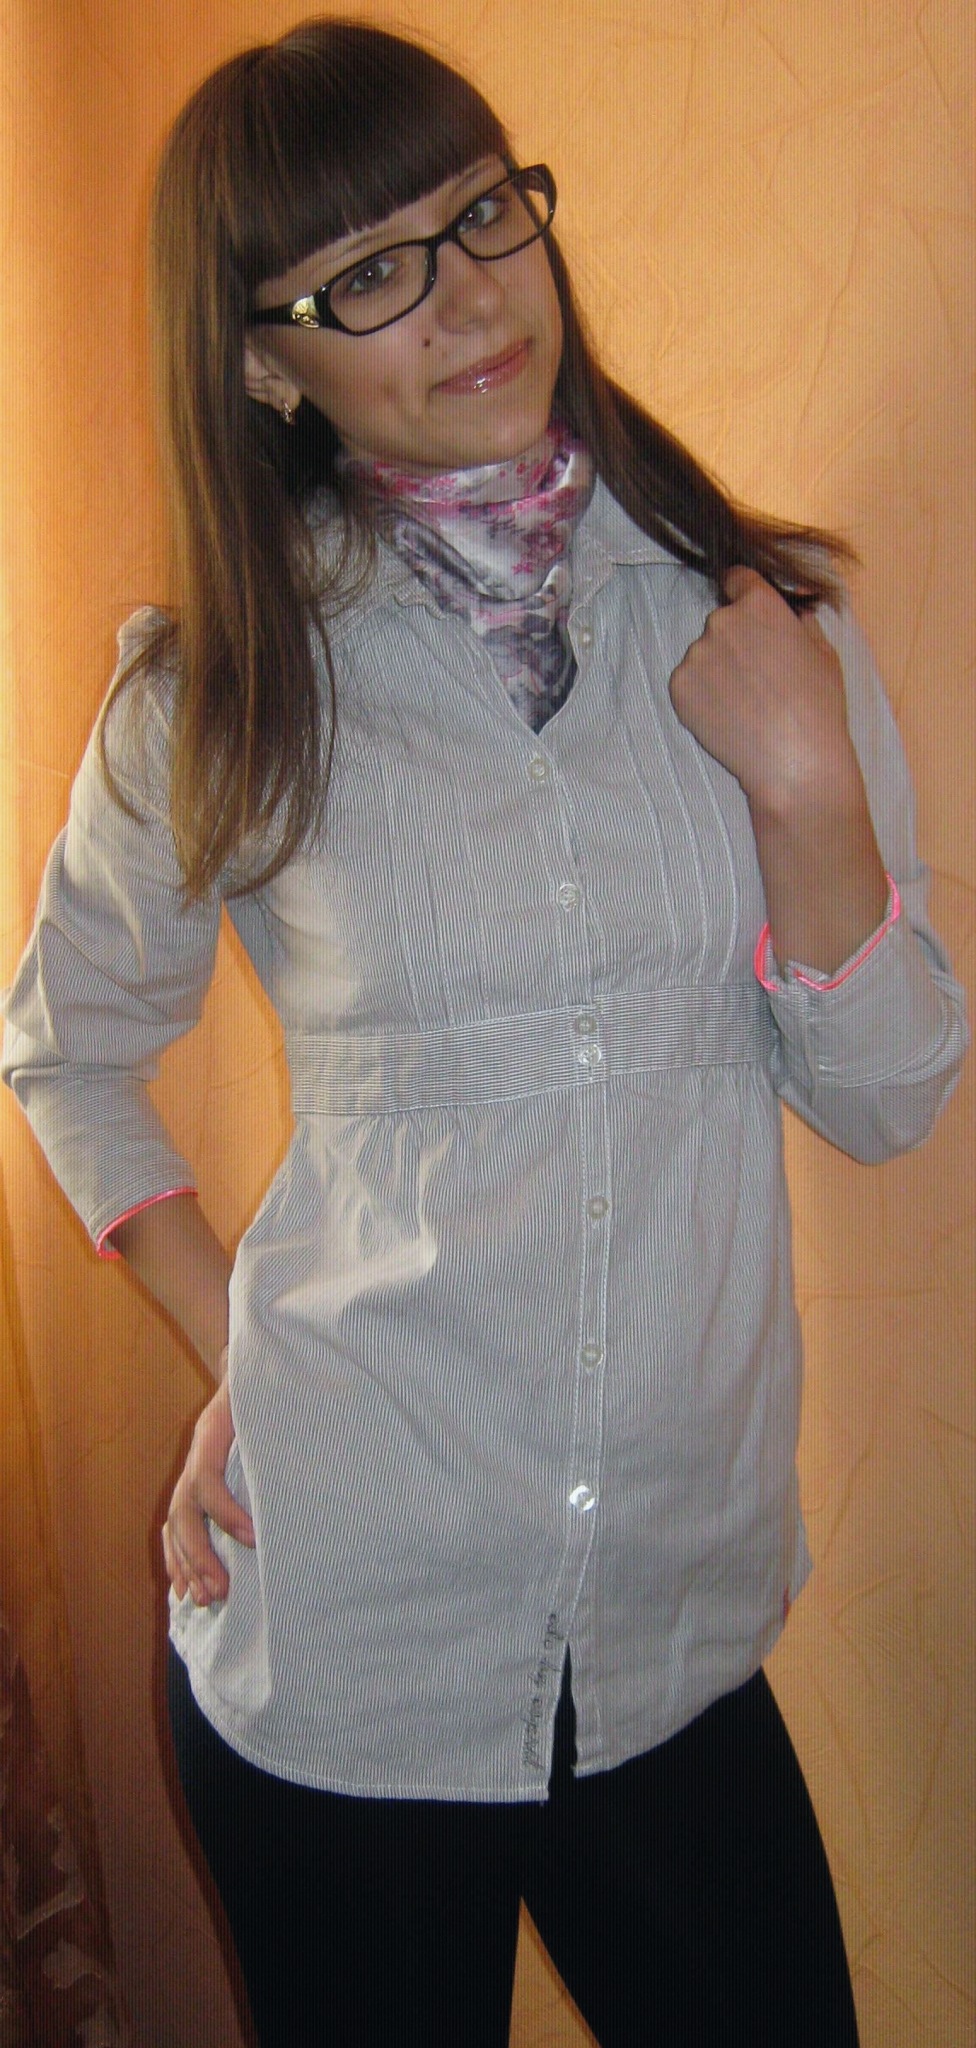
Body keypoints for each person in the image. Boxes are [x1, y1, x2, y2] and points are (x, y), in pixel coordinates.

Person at [2, 19, 967, 2047]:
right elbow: (66, 1048)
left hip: (672, 1627)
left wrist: (807, 795)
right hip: (348, 1639)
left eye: (478, 216)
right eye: (370, 272)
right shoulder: (215, 694)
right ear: (264, 363)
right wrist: (242, 1352)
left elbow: (888, 1101)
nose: (467, 295)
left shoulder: (753, 625)